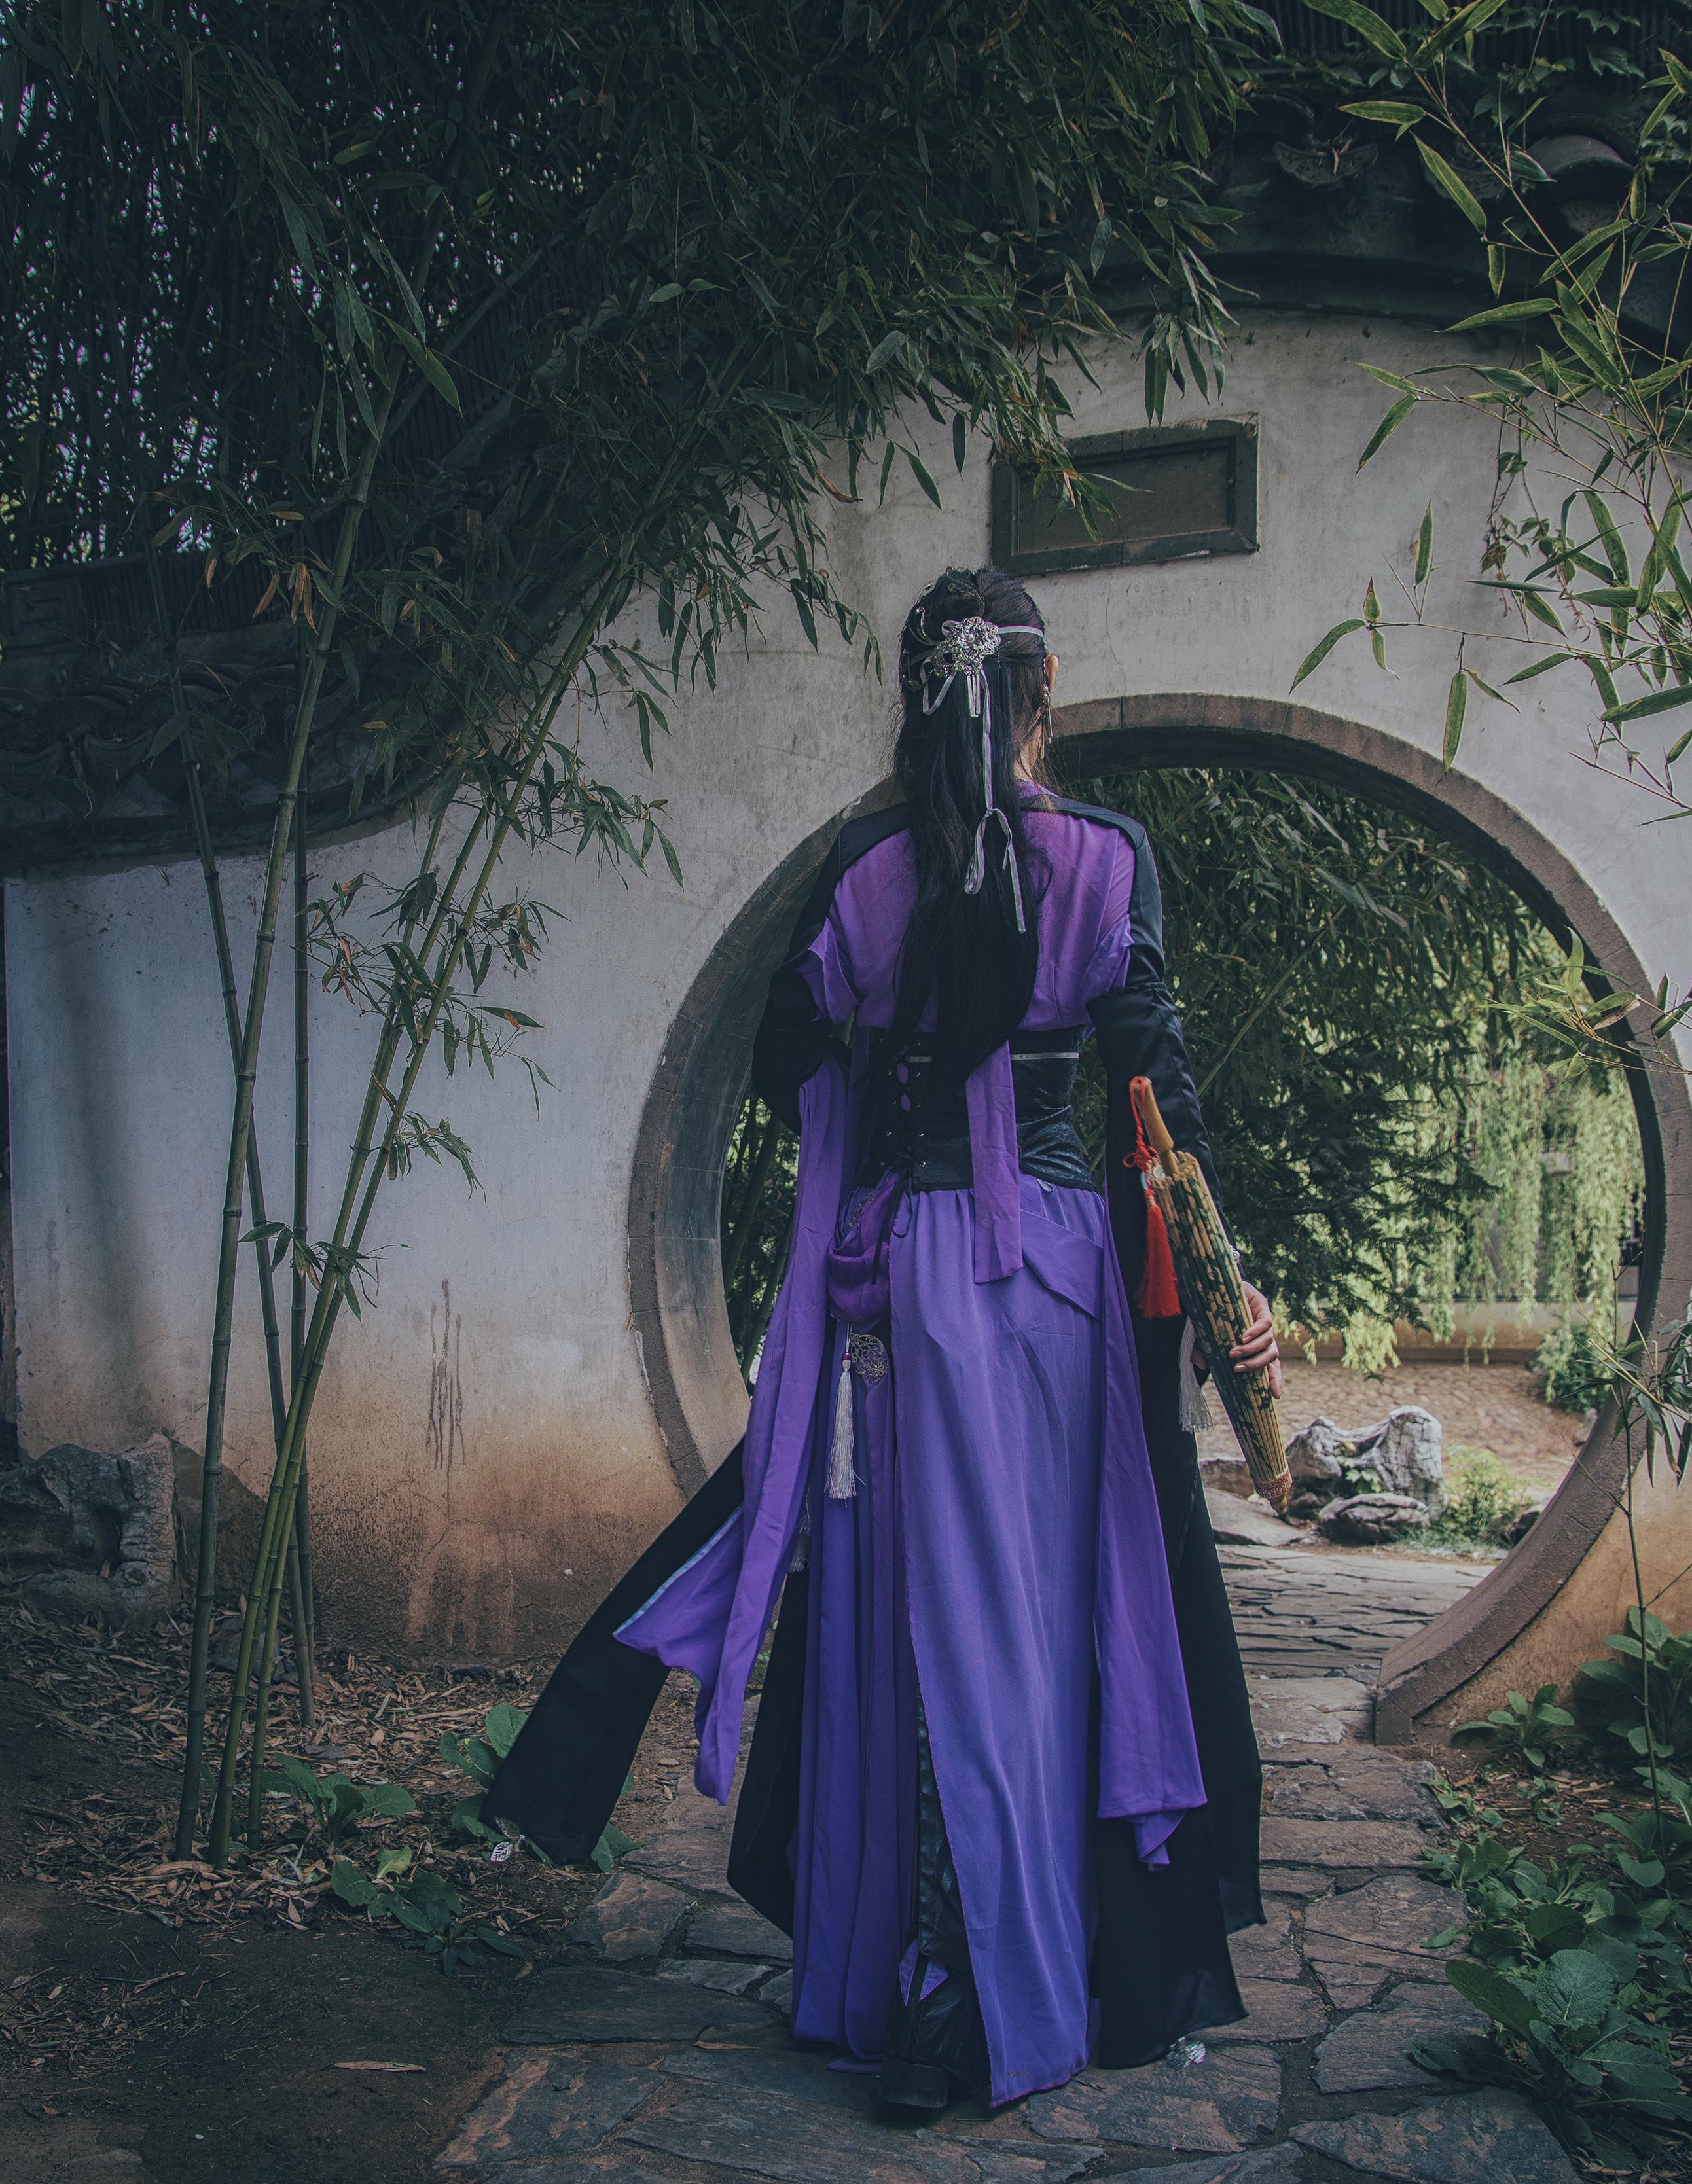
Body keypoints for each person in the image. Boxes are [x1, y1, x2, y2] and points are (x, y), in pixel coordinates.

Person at [484, 566, 1279, 2119]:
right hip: (1058, 1298)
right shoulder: (1108, 858)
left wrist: (884, 1128)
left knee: (904, 1628)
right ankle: (1008, 1979)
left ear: (912, 697)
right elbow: (1156, 1095)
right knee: (1037, 1635)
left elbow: (787, 1063)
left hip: (894, 1299)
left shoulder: (859, 871)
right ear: (1040, 692)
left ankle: (899, 1978)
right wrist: (1225, 1278)